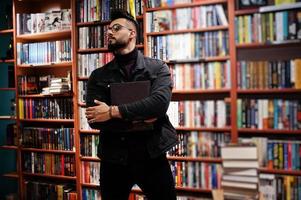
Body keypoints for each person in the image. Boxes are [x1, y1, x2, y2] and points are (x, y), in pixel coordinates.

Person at [85, 10, 178, 200]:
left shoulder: (157, 68)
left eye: (116, 28)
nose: (109, 32)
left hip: (152, 155)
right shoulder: (98, 76)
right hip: (114, 158)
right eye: (108, 29)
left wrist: (112, 112)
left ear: (132, 33)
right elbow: (95, 120)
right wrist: (143, 117)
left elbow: (159, 105)